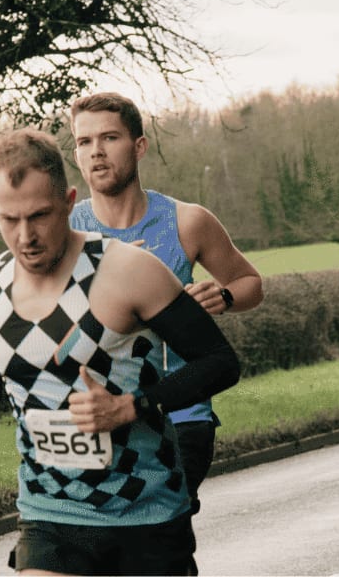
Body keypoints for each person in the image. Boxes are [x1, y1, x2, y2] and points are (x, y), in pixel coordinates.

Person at [0, 129, 240, 575]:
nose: (25, 236)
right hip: (50, 515)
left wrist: (133, 406)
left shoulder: (129, 270)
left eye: (39, 215)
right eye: (8, 219)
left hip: (147, 513)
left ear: (70, 202)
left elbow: (220, 362)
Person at [68, 92, 263, 520]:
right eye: (84, 142)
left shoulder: (186, 221)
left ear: (139, 146)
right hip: (96, 418)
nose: (96, 151)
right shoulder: (67, 232)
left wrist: (224, 296)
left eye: (109, 138)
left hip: (180, 415)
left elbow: (250, 283)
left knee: (153, 530)